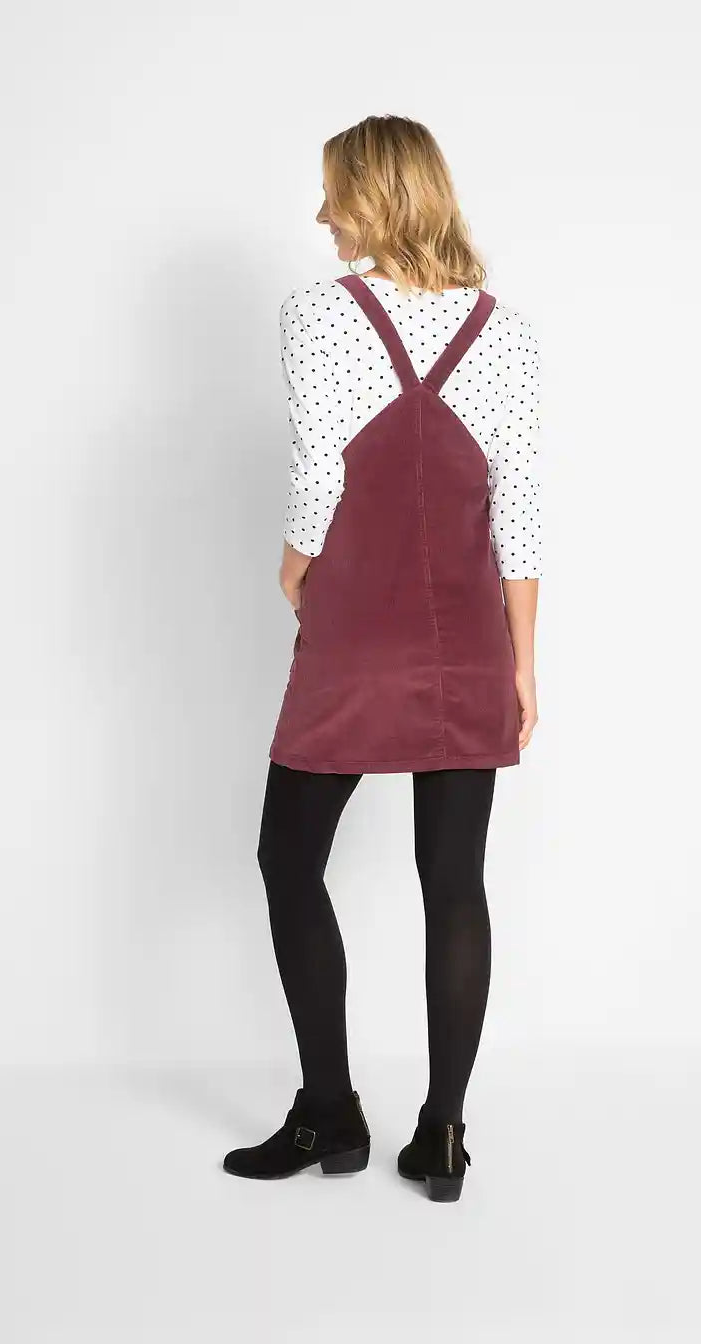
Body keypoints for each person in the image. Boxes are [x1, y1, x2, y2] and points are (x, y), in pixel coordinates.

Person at [222, 115, 542, 1202]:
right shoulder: (505, 333)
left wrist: (292, 569)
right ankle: (442, 1135)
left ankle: (330, 1113)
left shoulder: (318, 316)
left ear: (377, 196)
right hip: (468, 641)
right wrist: (524, 664)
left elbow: (320, 469)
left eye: (336, 194)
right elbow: (520, 513)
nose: (322, 216)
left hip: (358, 632)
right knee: (454, 884)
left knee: (287, 858)